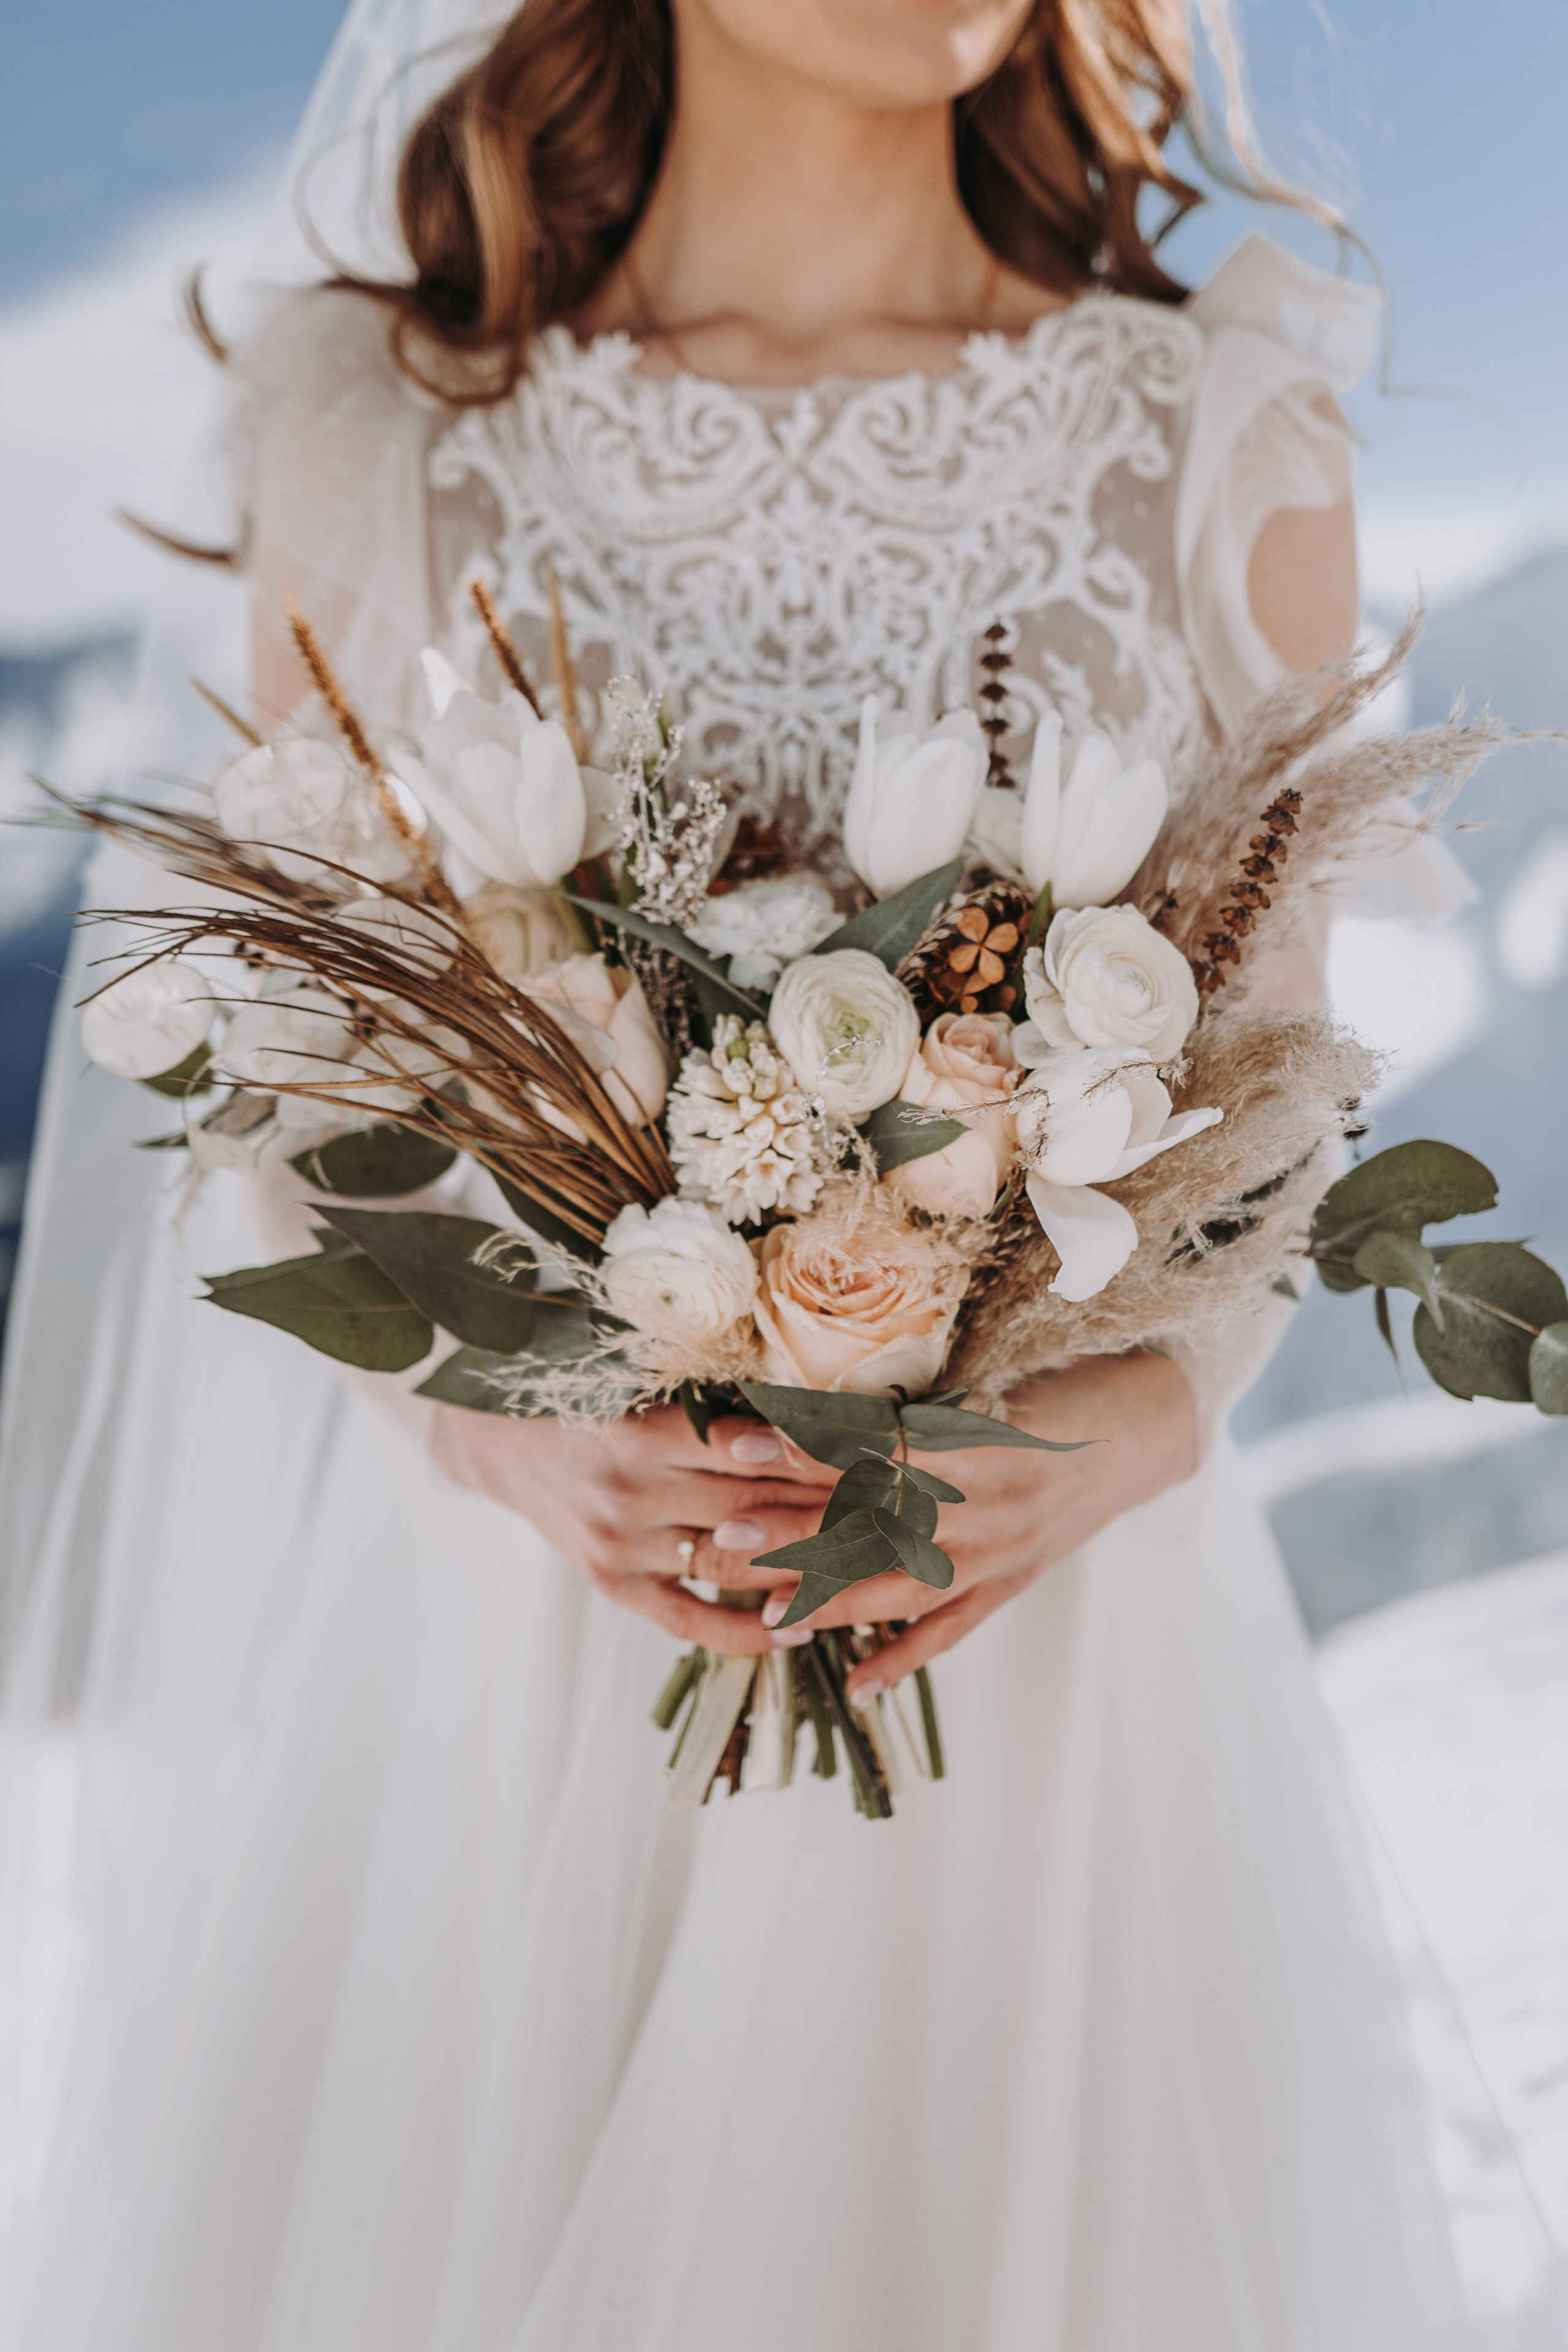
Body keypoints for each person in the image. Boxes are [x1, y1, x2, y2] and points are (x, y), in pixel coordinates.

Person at [1, 2, 1557, 2346]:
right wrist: (488, 1424)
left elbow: (1279, 1082)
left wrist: (1138, 1417)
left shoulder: (1223, 424)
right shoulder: (388, 433)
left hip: (1037, 1655)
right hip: (532, 1646)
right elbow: (290, 1091)